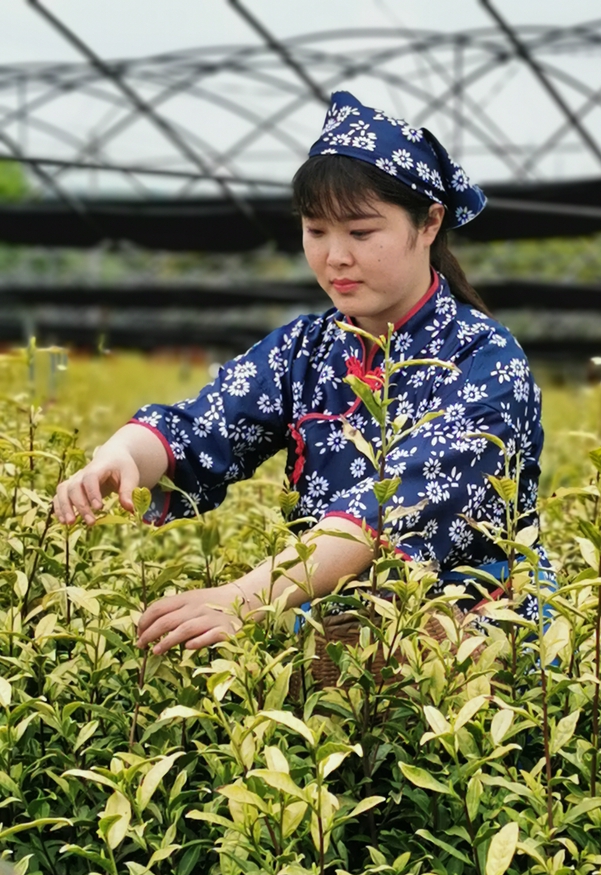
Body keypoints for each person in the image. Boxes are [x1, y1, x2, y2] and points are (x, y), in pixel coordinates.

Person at [53, 90, 552, 652]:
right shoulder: (305, 349)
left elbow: (389, 508)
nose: (335, 256)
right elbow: (200, 426)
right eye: (316, 231)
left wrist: (243, 597)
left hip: (469, 637)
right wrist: (122, 454)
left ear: (430, 223)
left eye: (361, 233)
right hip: (328, 627)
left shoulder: (485, 359)